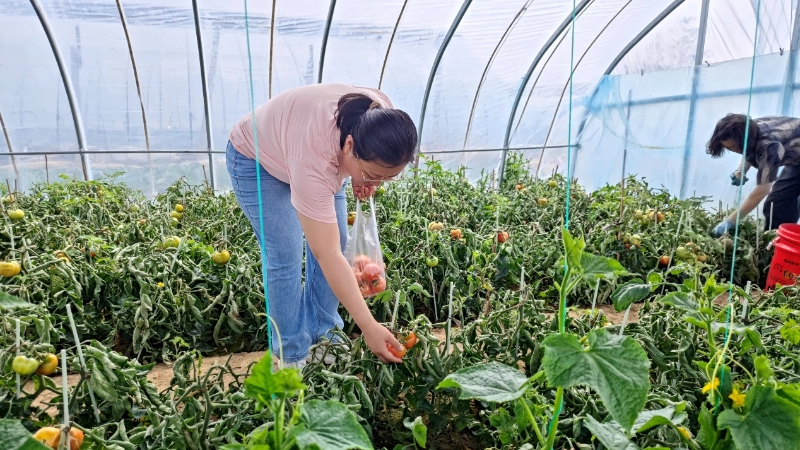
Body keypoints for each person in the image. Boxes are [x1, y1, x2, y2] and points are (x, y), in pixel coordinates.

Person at [226, 83, 416, 369]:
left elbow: (332, 247)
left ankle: (324, 335)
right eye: (373, 174)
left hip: (310, 150)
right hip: (258, 161)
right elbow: (327, 255)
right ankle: (292, 352)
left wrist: (363, 176)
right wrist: (368, 326)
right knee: (286, 256)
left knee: (338, 240)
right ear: (350, 146)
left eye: (386, 177)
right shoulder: (314, 160)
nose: (376, 183)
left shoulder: (381, 119)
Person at [706, 114, 800, 237]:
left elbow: (762, 190)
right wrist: (741, 171)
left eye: (733, 147)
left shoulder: (769, 146)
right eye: (727, 147)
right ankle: (776, 242)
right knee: (777, 204)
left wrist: (730, 221)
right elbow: (750, 150)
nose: (732, 150)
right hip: (797, 161)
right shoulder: (746, 129)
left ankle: (791, 244)